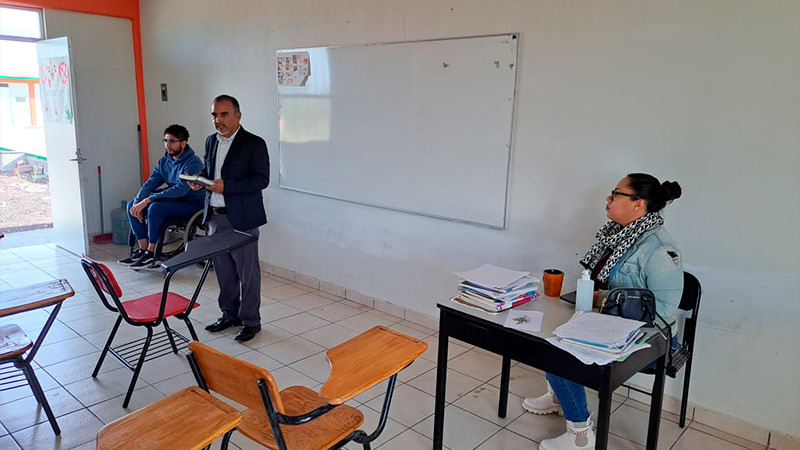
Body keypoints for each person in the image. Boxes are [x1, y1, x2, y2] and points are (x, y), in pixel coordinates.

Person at [524, 173, 684, 450]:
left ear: (638, 204)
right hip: (610, 321)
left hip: (652, 340)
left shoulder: (658, 248)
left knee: (561, 352)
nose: (608, 198)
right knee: (551, 332)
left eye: (617, 193)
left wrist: (607, 299)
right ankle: (560, 397)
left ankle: (580, 436)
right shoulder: (616, 235)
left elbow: (665, 309)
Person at [188, 95, 269, 342]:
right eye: (214, 115)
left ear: (238, 115)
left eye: (224, 114)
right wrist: (199, 180)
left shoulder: (254, 143)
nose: (218, 120)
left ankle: (251, 321)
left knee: (248, 273)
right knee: (224, 271)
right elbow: (209, 171)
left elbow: (261, 180)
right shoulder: (211, 141)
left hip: (242, 218)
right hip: (215, 216)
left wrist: (228, 187)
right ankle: (229, 314)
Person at [118, 124, 205, 268]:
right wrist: (139, 201)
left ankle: (152, 253)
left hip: (193, 203)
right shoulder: (164, 162)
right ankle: (143, 250)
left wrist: (148, 200)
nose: (167, 145)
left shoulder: (193, 163)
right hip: (175, 201)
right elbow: (150, 183)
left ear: (183, 143)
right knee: (131, 205)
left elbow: (180, 190)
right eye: (165, 141)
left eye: (172, 141)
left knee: (155, 208)